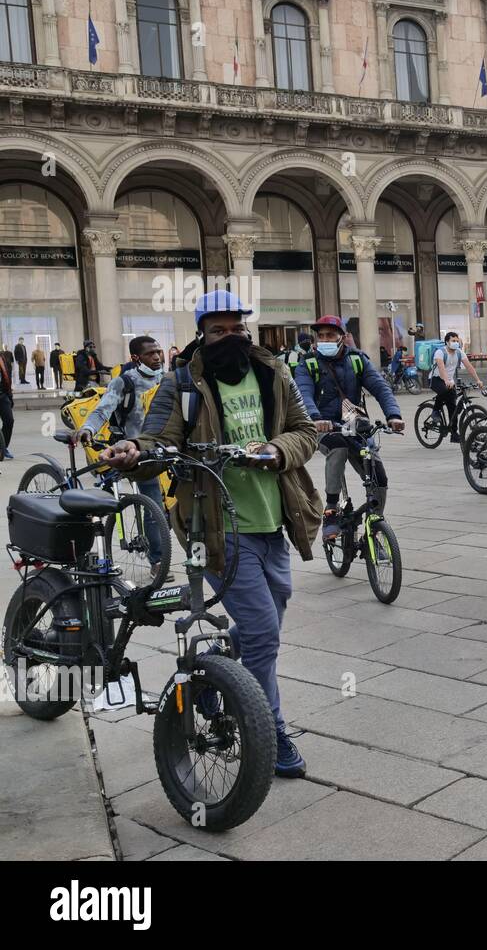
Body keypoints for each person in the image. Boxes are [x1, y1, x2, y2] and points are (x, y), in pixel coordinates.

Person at [100, 290, 322, 779]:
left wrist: (276, 449)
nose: (231, 336)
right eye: (219, 329)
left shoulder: (273, 372)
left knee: (272, 615)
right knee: (263, 632)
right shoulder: (182, 381)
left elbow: (305, 430)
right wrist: (134, 449)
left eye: (237, 327)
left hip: (273, 518)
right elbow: (158, 436)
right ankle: (271, 729)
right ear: (202, 333)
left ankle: (216, 665)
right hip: (216, 523)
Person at [293, 316, 404, 539]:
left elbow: (380, 387)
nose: (324, 339)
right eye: (321, 335)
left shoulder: (357, 360)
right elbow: (303, 393)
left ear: (342, 337)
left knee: (378, 476)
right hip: (324, 428)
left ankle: (374, 526)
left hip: (354, 426)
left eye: (330, 335)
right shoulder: (308, 363)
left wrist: (393, 415)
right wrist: (315, 418)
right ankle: (331, 510)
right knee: (338, 447)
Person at [78, 336, 169, 578]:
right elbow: (103, 409)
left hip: (163, 449)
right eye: (151, 353)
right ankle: (158, 561)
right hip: (133, 453)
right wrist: (88, 429)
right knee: (151, 506)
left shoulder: (167, 379)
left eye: (159, 352)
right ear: (136, 358)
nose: (158, 357)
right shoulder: (125, 382)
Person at [431, 331, 484, 443]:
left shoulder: (459, 353)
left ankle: (454, 434)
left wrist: (478, 380)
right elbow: (441, 368)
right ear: (447, 342)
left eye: (457, 340)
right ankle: (435, 410)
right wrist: (446, 381)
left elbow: (469, 367)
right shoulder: (440, 352)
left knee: (453, 408)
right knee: (445, 391)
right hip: (436, 379)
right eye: (453, 341)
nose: (455, 342)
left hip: (449, 381)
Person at [0, 345, 12, 459]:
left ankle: (3, 448)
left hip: (2, 395)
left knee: (9, 421)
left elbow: (7, 376)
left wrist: (9, 396)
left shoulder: (1, 358)